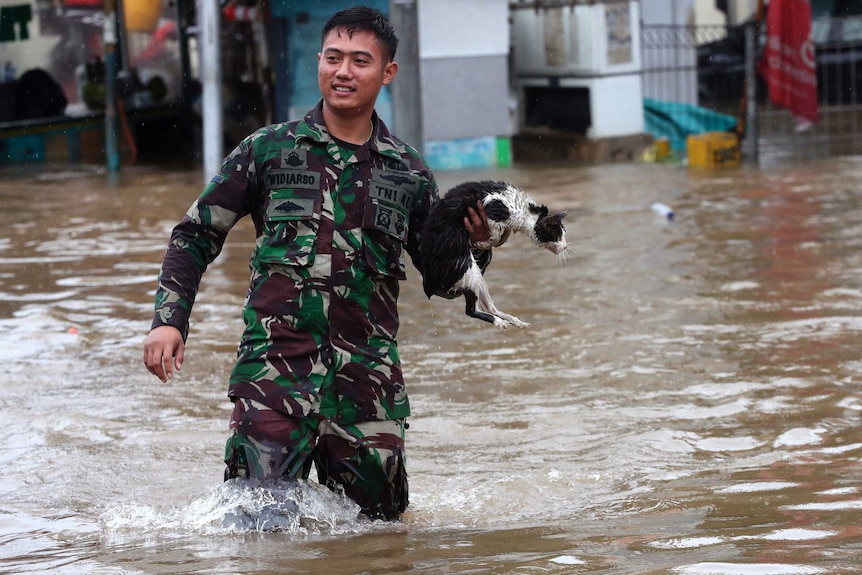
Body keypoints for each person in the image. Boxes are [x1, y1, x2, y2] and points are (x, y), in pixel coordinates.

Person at [143, 5, 498, 521]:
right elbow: (194, 235)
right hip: (274, 379)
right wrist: (168, 322)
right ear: (319, 63)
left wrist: (477, 246)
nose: (343, 72)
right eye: (333, 58)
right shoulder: (267, 150)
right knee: (256, 531)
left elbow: (442, 280)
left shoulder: (410, 173)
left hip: (367, 392)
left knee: (378, 540)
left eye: (360, 61)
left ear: (387, 73)